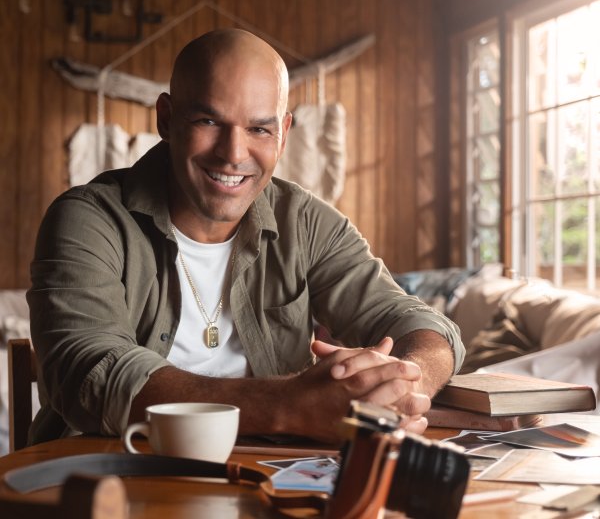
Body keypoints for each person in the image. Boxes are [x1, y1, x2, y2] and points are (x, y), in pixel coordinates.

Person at [27, 28, 464, 445]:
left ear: (284, 134)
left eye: (259, 129)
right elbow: (90, 372)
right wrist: (294, 406)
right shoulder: (88, 219)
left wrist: (405, 384)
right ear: (166, 118)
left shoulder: (308, 223)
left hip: (269, 478)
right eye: (208, 120)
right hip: (114, 474)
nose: (233, 154)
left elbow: (420, 324)